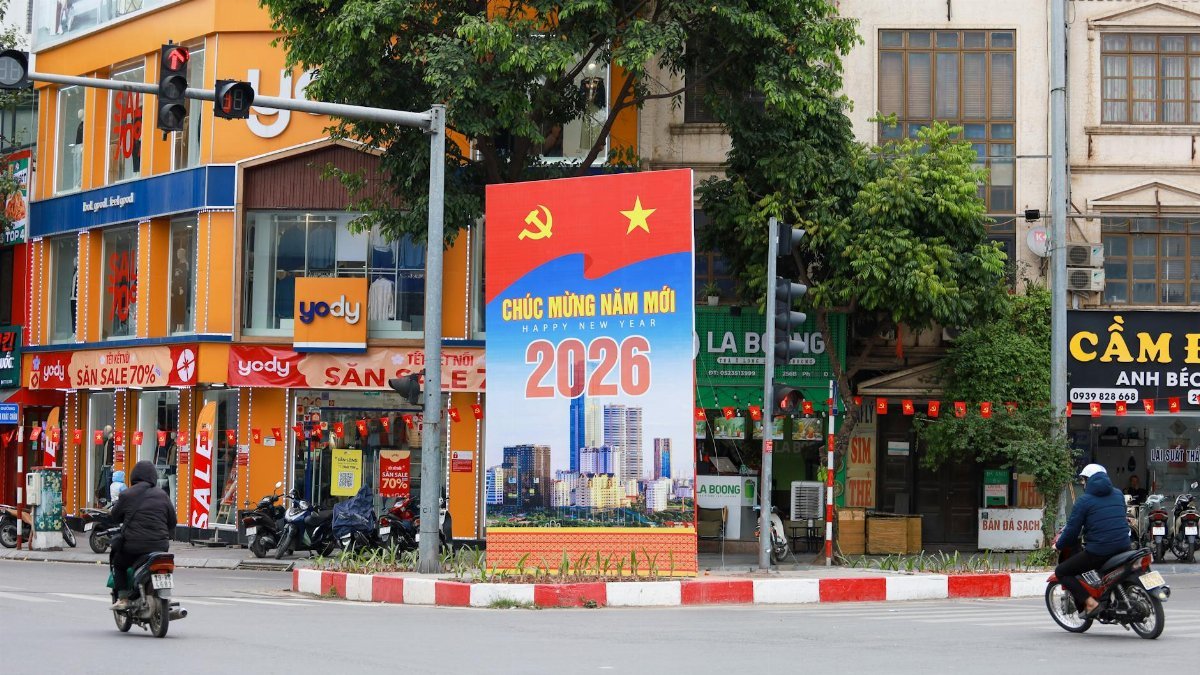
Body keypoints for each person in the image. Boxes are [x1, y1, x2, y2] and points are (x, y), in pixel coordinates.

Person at [1054, 464, 1132, 617]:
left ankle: (1091, 603)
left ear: (1089, 480)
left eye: (1083, 480)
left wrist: (1058, 545)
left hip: (1100, 551)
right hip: (1124, 546)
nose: (1082, 484)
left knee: (1061, 571)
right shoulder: (1118, 494)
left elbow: (1071, 531)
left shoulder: (1084, 501)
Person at [109, 461, 175, 611]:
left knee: (118, 563)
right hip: (161, 547)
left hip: (134, 546)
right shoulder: (162, 495)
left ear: (134, 476)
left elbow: (115, 516)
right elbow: (173, 520)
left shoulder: (127, 494)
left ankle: (124, 598)